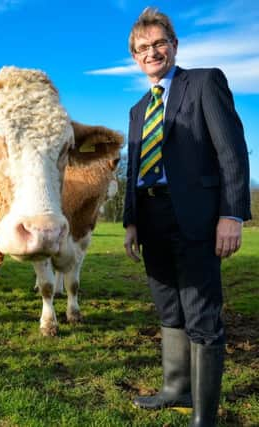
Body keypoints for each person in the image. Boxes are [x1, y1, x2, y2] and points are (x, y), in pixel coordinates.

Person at [122, 8, 251, 427]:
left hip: (196, 215)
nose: (151, 52)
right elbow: (135, 170)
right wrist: (130, 222)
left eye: (159, 43)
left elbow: (231, 151)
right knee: (168, 307)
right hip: (152, 217)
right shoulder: (139, 108)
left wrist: (231, 215)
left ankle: (204, 415)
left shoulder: (204, 82)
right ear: (135, 57)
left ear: (174, 46)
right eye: (142, 48)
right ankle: (175, 391)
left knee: (201, 311)